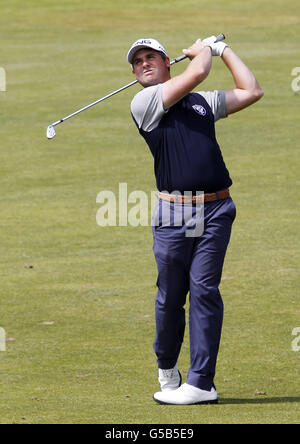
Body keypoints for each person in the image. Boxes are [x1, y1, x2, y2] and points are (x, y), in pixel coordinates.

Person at [127, 36, 263, 405]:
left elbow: (251, 90)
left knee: (205, 290)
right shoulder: (145, 102)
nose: (143, 63)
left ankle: (202, 383)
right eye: (137, 61)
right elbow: (199, 72)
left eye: (150, 57)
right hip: (175, 213)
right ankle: (167, 367)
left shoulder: (201, 103)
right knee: (171, 296)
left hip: (217, 209)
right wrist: (203, 50)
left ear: (166, 60)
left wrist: (223, 50)